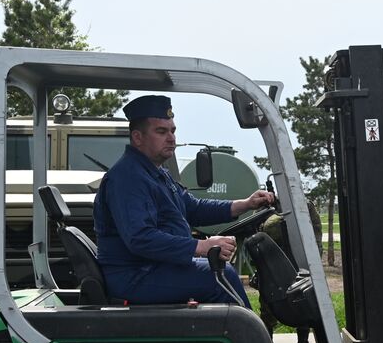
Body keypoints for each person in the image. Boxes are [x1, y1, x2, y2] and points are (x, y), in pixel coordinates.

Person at [94, 95, 276, 307]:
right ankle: (249, 339)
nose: (171, 138)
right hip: (135, 276)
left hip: (154, 268)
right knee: (221, 276)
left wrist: (245, 204)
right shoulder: (128, 178)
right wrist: (201, 246)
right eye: (161, 132)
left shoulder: (155, 173)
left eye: (173, 131)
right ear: (137, 137)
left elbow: (193, 208)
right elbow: (140, 238)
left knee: (219, 272)